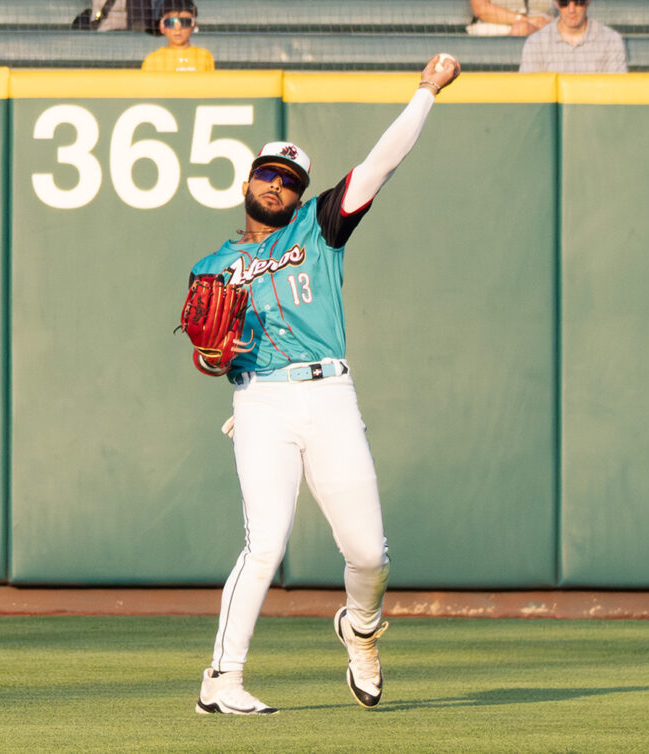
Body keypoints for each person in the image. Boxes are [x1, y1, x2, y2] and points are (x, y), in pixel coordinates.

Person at [187, 54, 460, 715]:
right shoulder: (215, 266)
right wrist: (214, 359)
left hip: (330, 394)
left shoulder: (322, 225)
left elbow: (382, 161)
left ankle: (361, 629)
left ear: (300, 190)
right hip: (262, 403)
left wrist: (426, 91)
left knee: (368, 553)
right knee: (266, 543)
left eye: (289, 179)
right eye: (268, 175)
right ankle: (221, 681)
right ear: (249, 180)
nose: (277, 186)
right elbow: (208, 353)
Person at [519, 0, 627, 72]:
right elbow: (531, 95)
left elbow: (615, 93)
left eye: (578, 2)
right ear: (556, 3)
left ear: (588, 1)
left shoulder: (611, 41)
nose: (571, 10)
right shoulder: (536, 43)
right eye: (564, 2)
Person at [141, 0, 214, 72]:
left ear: (194, 25)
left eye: (185, 22)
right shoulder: (153, 60)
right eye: (170, 22)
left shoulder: (204, 57)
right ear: (162, 27)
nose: (177, 28)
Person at [467, 0, 553, 36]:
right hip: (495, 30)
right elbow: (480, 9)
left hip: (547, 27)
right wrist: (525, 20)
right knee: (521, 29)